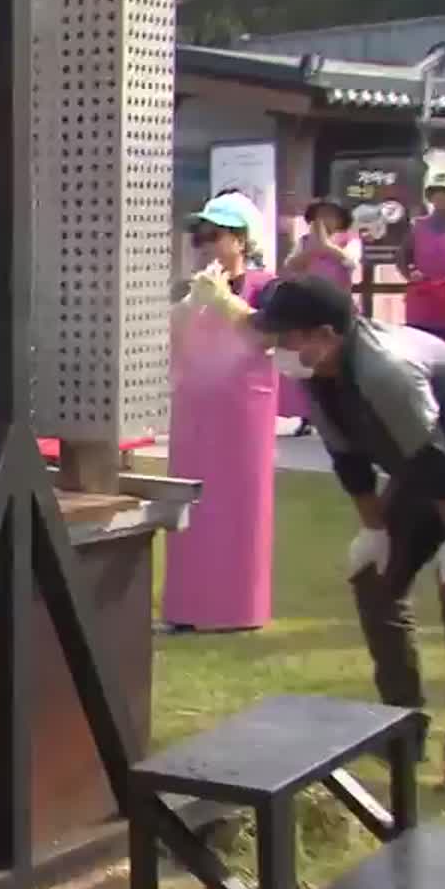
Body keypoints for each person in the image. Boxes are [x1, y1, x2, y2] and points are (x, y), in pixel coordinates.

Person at [254, 274, 445, 786]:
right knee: (374, 581)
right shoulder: (317, 372)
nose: (275, 348)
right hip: (428, 470)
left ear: (323, 334)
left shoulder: (387, 370)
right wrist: (375, 531)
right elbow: (349, 460)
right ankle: (400, 727)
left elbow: (439, 459)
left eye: (284, 336)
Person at [163, 191, 276, 632]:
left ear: (242, 240)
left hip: (244, 410)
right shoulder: (188, 288)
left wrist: (226, 301)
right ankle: (186, 607)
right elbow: (164, 332)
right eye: (201, 237)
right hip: (195, 406)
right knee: (191, 504)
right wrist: (192, 303)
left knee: (238, 507)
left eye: (216, 235)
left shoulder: (267, 286)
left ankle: (237, 608)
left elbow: (268, 334)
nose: (206, 244)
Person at [278, 197, 362, 434]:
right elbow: (290, 265)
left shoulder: (350, 240)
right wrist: (312, 250)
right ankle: (308, 415)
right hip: (309, 310)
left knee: (339, 364)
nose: (324, 220)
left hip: (339, 310)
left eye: (330, 215)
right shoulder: (304, 242)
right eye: (319, 215)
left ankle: (344, 415)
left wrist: (327, 247)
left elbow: (351, 262)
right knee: (308, 364)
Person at [396, 149, 445, 340]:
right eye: (439, 194)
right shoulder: (416, 226)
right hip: (421, 300)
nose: (443, 198)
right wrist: (410, 274)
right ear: (432, 197)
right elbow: (402, 257)